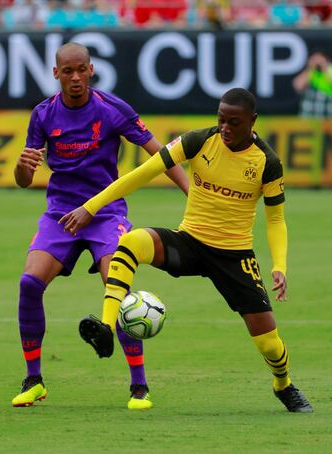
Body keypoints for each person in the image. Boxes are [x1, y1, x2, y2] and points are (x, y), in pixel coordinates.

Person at [59, 87, 313, 413]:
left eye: (234, 122)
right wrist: (91, 207)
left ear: (252, 121)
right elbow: (142, 174)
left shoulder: (267, 162)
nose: (225, 128)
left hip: (234, 256)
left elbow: (276, 218)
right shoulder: (198, 141)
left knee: (267, 341)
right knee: (130, 242)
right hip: (190, 242)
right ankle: (107, 328)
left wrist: (280, 265)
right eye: (221, 119)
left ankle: (283, 384)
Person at [12, 42, 189, 409]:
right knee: (29, 283)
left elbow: (161, 154)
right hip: (61, 213)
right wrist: (23, 168)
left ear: (91, 70)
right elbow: (24, 181)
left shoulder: (112, 109)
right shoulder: (43, 115)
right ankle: (34, 381)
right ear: (56, 74)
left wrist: (191, 191)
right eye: (68, 71)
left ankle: (139, 387)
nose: (75, 77)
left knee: (117, 284)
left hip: (106, 213)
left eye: (81, 70)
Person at [292, 50, 332, 118]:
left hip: (327, 114)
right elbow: (298, 85)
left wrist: (325, 67)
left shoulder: (329, 69)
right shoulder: (310, 72)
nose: (317, 62)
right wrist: (311, 68)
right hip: (310, 115)